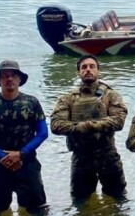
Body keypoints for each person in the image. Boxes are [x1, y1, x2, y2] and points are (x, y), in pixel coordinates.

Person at [0, 60, 48, 216]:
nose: (9, 79)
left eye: (13, 75)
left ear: (20, 79)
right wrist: (3, 157)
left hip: (27, 163)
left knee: (38, 212)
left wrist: (21, 154)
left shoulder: (32, 103)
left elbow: (42, 133)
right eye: (5, 75)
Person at [50, 55, 128, 201]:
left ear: (98, 71)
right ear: (78, 72)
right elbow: (56, 124)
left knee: (119, 199)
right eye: (84, 67)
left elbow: (119, 121)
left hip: (108, 155)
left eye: (92, 66)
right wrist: (80, 127)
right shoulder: (68, 98)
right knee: (80, 201)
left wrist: (92, 125)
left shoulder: (111, 95)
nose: (88, 70)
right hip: (81, 157)